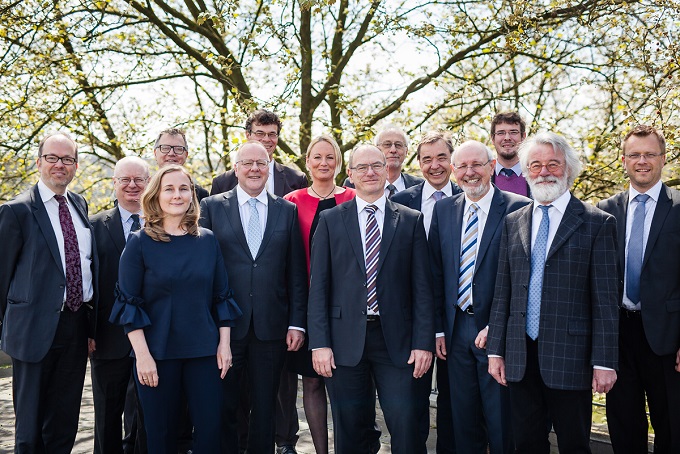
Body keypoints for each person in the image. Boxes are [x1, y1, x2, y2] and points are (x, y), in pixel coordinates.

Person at [486, 131, 619, 453]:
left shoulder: (597, 223)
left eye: (552, 164)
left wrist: (604, 361)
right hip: (520, 355)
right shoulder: (513, 221)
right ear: (526, 171)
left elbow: (606, 300)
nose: (543, 171)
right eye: (535, 165)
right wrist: (495, 351)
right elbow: (503, 291)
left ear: (568, 169)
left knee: (574, 444)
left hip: (570, 356)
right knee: (527, 443)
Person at [308, 144, 435, 454]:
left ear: (386, 171)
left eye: (376, 166)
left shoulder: (410, 220)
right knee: (350, 427)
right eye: (362, 167)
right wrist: (320, 343)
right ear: (349, 174)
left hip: (398, 342)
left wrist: (423, 343)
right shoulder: (330, 220)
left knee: (405, 423)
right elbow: (319, 286)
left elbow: (422, 288)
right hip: (343, 341)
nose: (370, 172)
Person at [109, 164, 241, 452]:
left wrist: (225, 345)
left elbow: (222, 296)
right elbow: (128, 305)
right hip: (156, 356)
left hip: (205, 354)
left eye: (184, 189)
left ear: (192, 195)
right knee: (161, 436)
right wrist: (142, 357)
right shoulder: (138, 243)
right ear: (155, 195)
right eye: (169, 189)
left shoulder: (207, 240)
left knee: (210, 433)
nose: (177, 195)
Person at [200, 141, 308, 454]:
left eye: (261, 163)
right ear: (236, 169)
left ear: (269, 166)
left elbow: (296, 273)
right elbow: (204, 269)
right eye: (247, 163)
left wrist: (297, 324)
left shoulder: (286, 211)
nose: (254, 169)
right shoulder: (212, 207)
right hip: (225, 327)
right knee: (226, 405)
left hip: (272, 328)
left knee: (265, 408)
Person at [429, 140, 530, 453]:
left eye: (477, 165)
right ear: (454, 171)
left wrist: (499, 326)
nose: (470, 173)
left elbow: (524, 276)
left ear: (492, 167)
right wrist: (438, 328)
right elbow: (434, 271)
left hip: (495, 331)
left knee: (501, 420)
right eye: (462, 166)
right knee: (463, 419)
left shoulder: (517, 207)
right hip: (455, 328)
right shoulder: (444, 209)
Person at [0, 131, 97, 453]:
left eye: (67, 159)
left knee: (64, 421)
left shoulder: (79, 204)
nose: (60, 165)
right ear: (39, 162)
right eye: (53, 158)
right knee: (30, 427)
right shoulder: (16, 211)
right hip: (31, 330)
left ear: (76, 166)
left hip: (74, 325)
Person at [597, 125, 680, 453]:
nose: (642, 161)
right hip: (618, 338)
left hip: (668, 339)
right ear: (623, 160)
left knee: (672, 428)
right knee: (624, 427)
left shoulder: (678, 207)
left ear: (663, 159)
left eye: (649, 154)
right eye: (635, 155)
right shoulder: (605, 209)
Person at [283, 134, 356, 454]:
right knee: (312, 380)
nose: (324, 163)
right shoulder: (291, 201)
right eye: (317, 157)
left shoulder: (355, 198)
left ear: (338, 162)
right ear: (307, 162)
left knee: (346, 383)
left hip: (350, 305)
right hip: (308, 303)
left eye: (330, 157)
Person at [391, 131, 461, 453]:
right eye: (426, 159)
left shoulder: (469, 195)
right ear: (417, 163)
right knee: (412, 402)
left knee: (454, 402)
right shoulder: (400, 203)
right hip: (412, 319)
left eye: (441, 157)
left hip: (457, 318)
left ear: (453, 159)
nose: (434, 165)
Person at [89, 156, 149, 454]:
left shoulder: (165, 225)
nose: (132, 185)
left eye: (139, 179)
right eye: (124, 179)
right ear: (114, 184)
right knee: (107, 416)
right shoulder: (94, 226)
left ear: (149, 184)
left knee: (147, 417)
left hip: (154, 337)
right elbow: (90, 286)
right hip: (108, 337)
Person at [210, 109, 308, 197]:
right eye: (260, 133)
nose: (266, 139)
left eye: (272, 134)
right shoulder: (222, 183)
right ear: (248, 135)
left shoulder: (297, 180)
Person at [344, 125, 423, 197]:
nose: (393, 150)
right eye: (387, 145)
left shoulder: (420, 185)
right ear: (376, 150)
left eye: (398, 145)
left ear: (406, 151)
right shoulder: (354, 182)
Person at [153, 127, 210, 201]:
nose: (171, 153)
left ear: (186, 155)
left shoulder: (201, 195)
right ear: (155, 153)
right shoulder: (141, 190)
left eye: (178, 149)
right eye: (165, 148)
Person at [490, 112, 531, 197]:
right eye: (501, 133)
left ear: (523, 137)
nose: (507, 138)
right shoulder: (484, 176)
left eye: (513, 132)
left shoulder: (535, 175)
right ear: (493, 139)